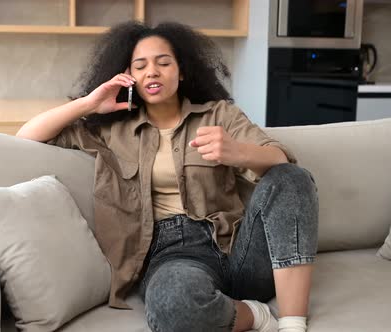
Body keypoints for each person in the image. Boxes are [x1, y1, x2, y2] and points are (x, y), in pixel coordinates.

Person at [16, 20, 319, 332]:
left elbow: (282, 161)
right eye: (140, 65)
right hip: (173, 257)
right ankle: (254, 315)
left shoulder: (218, 115)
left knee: (291, 177)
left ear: (182, 71)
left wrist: (237, 152)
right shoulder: (111, 130)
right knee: (173, 304)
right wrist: (89, 103)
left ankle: (292, 325)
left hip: (239, 249)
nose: (152, 72)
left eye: (164, 62)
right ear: (128, 76)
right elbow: (26, 138)